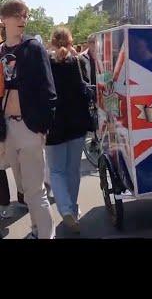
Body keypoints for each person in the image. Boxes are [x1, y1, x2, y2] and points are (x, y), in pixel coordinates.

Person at [0, 0, 56, 239]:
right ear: (4, 19)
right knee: (23, 187)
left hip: (29, 126)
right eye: (18, 15)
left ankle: (45, 234)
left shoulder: (33, 48)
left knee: (34, 191)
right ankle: (36, 229)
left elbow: (48, 90)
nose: (23, 20)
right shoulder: (0, 51)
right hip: (6, 129)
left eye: (25, 16)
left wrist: (42, 128)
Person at [46, 27, 92, 234]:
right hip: (77, 122)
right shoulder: (78, 61)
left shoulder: (46, 63)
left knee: (56, 170)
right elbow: (85, 90)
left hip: (54, 124)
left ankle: (65, 209)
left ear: (52, 42)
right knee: (73, 170)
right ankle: (72, 209)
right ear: (71, 42)